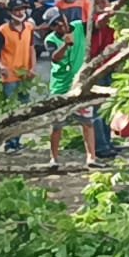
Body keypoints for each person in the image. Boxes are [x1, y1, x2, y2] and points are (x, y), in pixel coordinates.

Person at [45, 9, 99, 170]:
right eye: (55, 24)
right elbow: (55, 58)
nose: (60, 25)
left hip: (81, 85)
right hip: (60, 87)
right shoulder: (51, 39)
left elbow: (96, 25)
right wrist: (65, 45)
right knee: (57, 125)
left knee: (87, 122)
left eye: (60, 21)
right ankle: (54, 159)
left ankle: (91, 158)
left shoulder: (79, 27)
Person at [0, 0, 37, 154]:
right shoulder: (2, 30)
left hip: (24, 75)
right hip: (9, 77)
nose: (20, 13)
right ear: (10, 12)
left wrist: (33, 68)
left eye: (22, 9)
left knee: (23, 111)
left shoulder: (29, 28)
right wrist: (1, 67)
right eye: (17, 10)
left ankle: (17, 142)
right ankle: (9, 144)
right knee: (11, 111)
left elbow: (31, 48)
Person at [87, 0, 121, 161]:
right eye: (98, 3)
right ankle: (100, 146)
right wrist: (116, 7)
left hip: (110, 68)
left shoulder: (114, 22)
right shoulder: (93, 21)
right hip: (95, 70)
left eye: (104, 2)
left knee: (108, 108)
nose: (101, 5)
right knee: (98, 110)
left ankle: (107, 142)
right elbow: (100, 22)